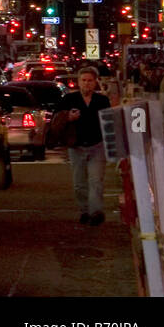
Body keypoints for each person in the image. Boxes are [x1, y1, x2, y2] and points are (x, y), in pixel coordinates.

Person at [54, 66, 111, 225]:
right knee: (79, 183)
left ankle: (96, 213)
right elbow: (55, 119)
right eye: (84, 80)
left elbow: (109, 123)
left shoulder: (102, 101)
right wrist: (68, 117)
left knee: (96, 181)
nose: (87, 84)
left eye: (90, 81)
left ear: (95, 83)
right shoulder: (69, 100)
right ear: (78, 82)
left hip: (97, 146)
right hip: (76, 147)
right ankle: (84, 210)